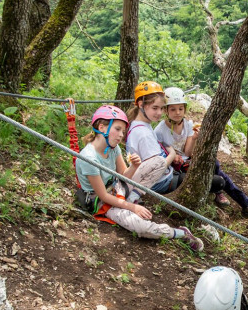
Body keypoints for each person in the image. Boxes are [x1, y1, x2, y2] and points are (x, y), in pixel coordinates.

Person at [75, 105, 203, 252]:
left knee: (159, 162)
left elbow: (123, 176)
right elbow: (103, 195)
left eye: (123, 131)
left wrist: (134, 167)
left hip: (117, 188)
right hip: (103, 201)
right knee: (141, 228)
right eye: (117, 129)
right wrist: (133, 207)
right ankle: (180, 233)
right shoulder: (89, 158)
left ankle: (133, 196)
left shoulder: (113, 148)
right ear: (102, 127)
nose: (121, 135)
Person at [155, 87, 248, 221]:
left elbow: (188, 152)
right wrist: (172, 156)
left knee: (215, 164)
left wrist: (194, 138)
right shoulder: (160, 130)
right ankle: (241, 201)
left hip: (189, 160)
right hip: (177, 168)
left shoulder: (189, 125)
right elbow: (159, 152)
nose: (177, 113)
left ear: (185, 108)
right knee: (221, 179)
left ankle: (243, 202)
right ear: (166, 110)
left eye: (180, 108)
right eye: (172, 109)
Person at [125, 81, 181, 196]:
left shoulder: (139, 124)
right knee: (217, 182)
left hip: (159, 178)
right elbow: (157, 169)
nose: (159, 113)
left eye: (161, 108)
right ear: (141, 105)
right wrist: (172, 154)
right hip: (160, 182)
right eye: (155, 108)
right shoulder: (143, 134)